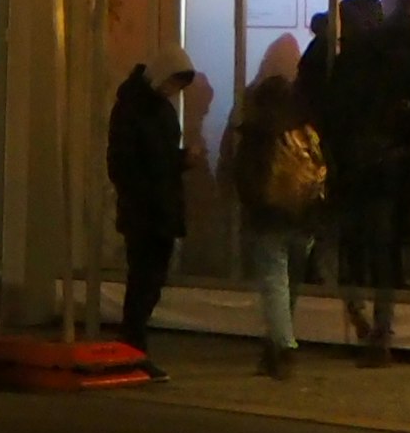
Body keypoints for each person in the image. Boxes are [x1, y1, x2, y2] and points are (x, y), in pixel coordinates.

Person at [217, 35, 322, 377]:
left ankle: (283, 346)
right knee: (289, 283)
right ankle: (276, 342)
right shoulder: (305, 127)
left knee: (274, 279)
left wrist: (243, 202)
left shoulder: (256, 126)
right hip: (303, 217)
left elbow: (240, 168)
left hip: (268, 217)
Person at [319, 0, 410, 360]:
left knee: (355, 247)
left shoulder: (350, 62)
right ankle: (381, 329)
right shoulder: (393, 60)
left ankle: (363, 325)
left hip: (357, 165)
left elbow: (336, 112)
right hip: (385, 165)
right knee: (382, 250)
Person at [105, 46, 199, 372]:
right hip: (144, 208)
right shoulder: (132, 109)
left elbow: (160, 155)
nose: (174, 90)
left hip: (161, 205)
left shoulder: (159, 109)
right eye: (174, 82)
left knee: (152, 280)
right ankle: (132, 345)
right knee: (143, 279)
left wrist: (180, 160)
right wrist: (168, 168)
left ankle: (133, 343)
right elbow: (122, 162)